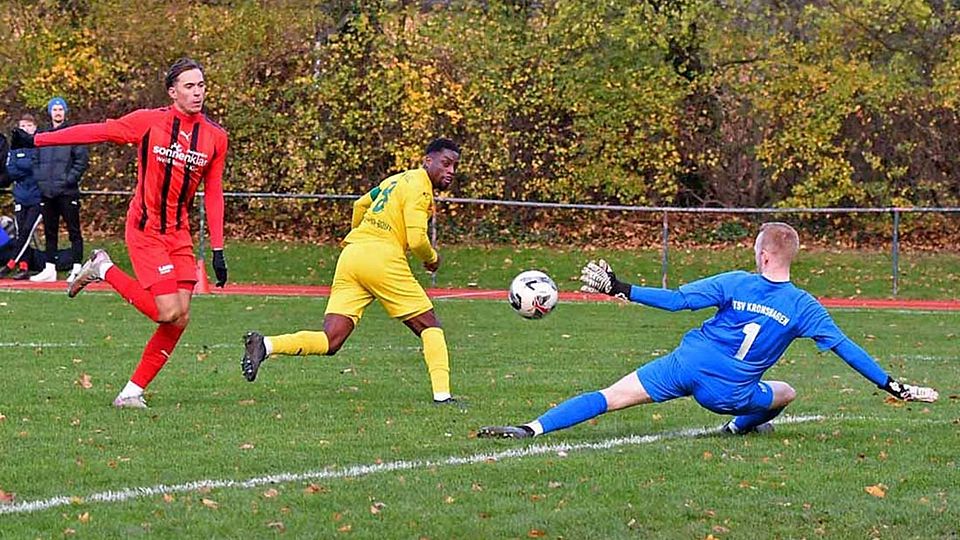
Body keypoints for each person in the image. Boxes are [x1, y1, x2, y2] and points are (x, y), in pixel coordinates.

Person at [477, 222, 939, 439]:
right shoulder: (805, 307)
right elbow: (847, 349)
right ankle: (738, 429)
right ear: (789, 256)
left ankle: (532, 428)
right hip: (730, 393)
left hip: (685, 365)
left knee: (611, 396)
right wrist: (891, 385)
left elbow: (677, 300)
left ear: (760, 254)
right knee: (786, 391)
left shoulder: (735, 281)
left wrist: (621, 287)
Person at [12, 57, 229, 408]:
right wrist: (37, 141)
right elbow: (96, 131)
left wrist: (217, 250)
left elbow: (215, 192)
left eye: (201, 85)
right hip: (145, 230)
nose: (197, 92)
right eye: (189, 86)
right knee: (165, 311)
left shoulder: (215, 137)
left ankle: (131, 393)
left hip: (179, 234)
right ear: (172, 92)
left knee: (181, 316)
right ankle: (103, 268)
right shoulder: (150, 122)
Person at [241, 138, 460, 404]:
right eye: (446, 164)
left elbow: (359, 205)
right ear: (428, 161)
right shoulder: (421, 188)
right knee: (430, 326)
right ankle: (443, 397)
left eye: (454, 167)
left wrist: (360, 235)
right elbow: (417, 240)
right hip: (382, 258)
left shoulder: (394, 180)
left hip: (352, 256)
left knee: (331, 339)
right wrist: (432, 259)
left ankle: (266, 345)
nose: (450, 171)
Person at [30, 97, 89, 283]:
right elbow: (35, 161)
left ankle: (77, 268)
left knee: (74, 230)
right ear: (50, 112)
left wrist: (67, 181)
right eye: (54, 109)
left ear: (65, 112)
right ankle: (50, 268)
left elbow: (81, 162)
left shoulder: (74, 133)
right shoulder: (43, 133)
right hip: (47, 192)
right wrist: (41, 181)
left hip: (67, 191)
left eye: (60, 109)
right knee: (50, 231)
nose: (57, 112)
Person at [1, 114, 42, 280]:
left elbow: (36, 168)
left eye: (29, 126)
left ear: (35, 128)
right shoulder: (15, 147)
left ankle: (10, 263)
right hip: (20, 196)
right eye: (22, 126)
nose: (25, 129)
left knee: (26, 230)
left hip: (37, 197)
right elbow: (11, 170)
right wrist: (25, 168)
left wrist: (23, 167)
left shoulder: (39, 145)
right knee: (20, 232)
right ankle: (23, 266)